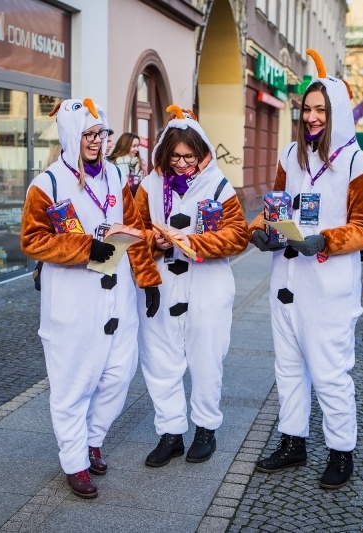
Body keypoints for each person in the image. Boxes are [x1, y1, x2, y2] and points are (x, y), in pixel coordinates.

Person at [248, 49, 363, 489]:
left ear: (337, 112)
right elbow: (277, 205)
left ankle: (341, 451)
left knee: (329, 373)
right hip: (285, 280)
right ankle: (293, 442)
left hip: (327, 287)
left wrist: (326, 239)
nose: (311, 116)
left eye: (321, 109)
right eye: (307, 108)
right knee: (287, 368)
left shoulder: (357, 164)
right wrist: (264, 230)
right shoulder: (292, 154)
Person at [20, 98, 162, 499]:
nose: (96, 142)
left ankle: (92, 439)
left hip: (118, 296)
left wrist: (149, 279)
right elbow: (33, 240)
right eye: (87, 135)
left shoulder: (116, 176)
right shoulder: (45, 185)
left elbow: (133, 228)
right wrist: (86, 248)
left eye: (100, 134)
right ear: (70, 137)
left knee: (119, 375)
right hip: (73, 303)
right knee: (72, 386)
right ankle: (75, 462)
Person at [134, 105, 249, 467]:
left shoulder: (218, 184)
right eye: (176, 158)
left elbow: (238, 235)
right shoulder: (149, 185)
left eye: (190, 158)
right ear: (164, 154)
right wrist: (156, 243)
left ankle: (205, 429)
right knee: (160, 360)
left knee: (206, 359)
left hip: (207, 284)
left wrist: (195, 243)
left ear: (202, 154)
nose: (183, 165)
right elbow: (134, 233)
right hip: (161, 283)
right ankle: (170, 433)